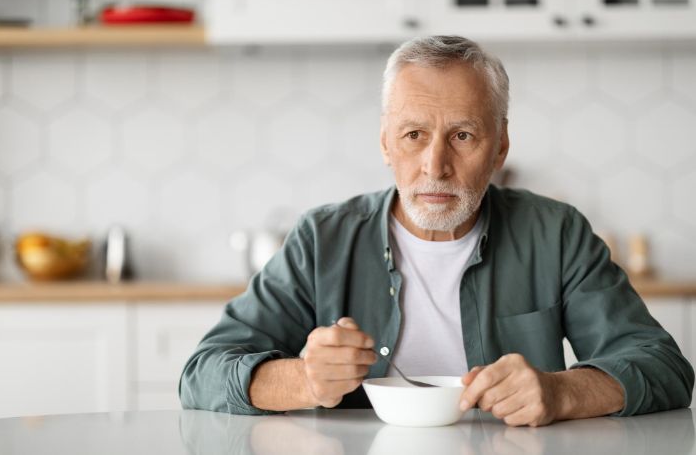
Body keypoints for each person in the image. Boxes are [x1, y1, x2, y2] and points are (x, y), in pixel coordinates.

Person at [179, 35, 694, 427]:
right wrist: (303, 379)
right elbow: (202, 373)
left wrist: (562, 392)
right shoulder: (322, 239)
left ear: (500, 147)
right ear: (385, 143)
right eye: (413, 135)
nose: (436, 165)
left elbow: (664, 367)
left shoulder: (555, 233)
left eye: (463, 135)